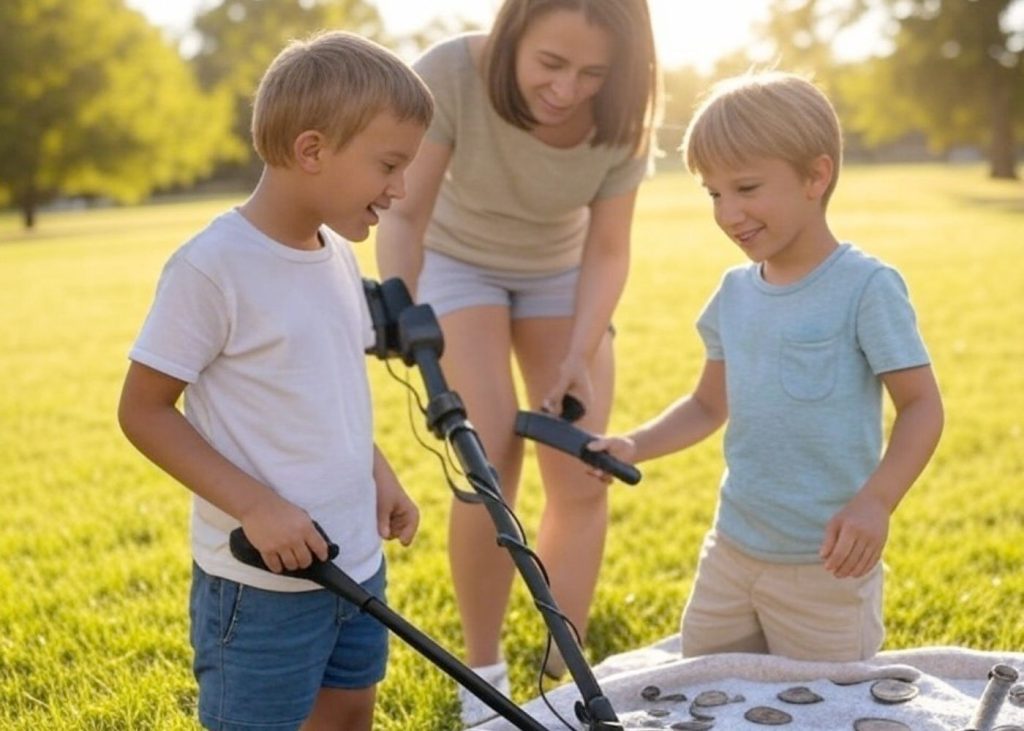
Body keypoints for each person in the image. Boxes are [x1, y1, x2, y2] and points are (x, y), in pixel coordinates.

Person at [117, 31, 432, 731]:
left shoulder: (339, 257)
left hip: (354, 559)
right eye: (388, 164)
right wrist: (256, 506)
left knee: (350, 713)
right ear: (313, 150)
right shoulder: (213, 267)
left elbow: (329, 394)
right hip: (262, 583)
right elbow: (144, 411)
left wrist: (376, 471)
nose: (401, 188)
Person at [588, 71, 944, 662]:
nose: (729, 213)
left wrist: (876, 502)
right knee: (704, 690)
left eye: (747, 188)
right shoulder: (733, 292)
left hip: (825, 566)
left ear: (816, 176)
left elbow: (922, 406)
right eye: (714, 193)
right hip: (732, 551)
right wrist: (634, 444)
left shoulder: (865, 287)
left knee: (825, 709)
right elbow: (708, 404)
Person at [375, 0, 659, 723]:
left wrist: (579, 353)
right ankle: (487, 672)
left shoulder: (624, 114)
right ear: (511, 35)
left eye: (593, 72)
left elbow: (609, 247)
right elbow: (405, 211)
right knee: (488, 458)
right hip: (458, 261)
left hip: (559, 271)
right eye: (552, 64)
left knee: (581, 469)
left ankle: (564, 678)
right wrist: (403, 309)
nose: (568, 89)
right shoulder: (449, 72)